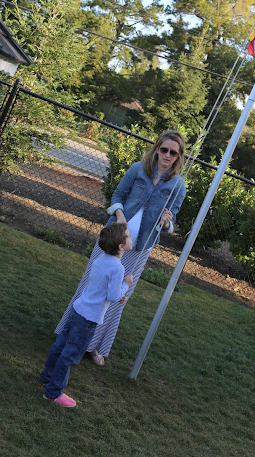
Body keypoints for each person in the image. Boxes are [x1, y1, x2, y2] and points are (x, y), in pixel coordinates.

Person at [55, 129, 186, 366]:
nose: (167, 155)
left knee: (118, 296)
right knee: (91, 285)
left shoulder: (178, 186)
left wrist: (167, 223)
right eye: (164, 149)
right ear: (157, 148)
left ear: (179, 156)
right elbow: (117, 195)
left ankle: (95, 346)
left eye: (173, 153)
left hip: (140, 249)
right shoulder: (138, 169)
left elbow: (170, 223)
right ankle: (66, 333)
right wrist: (120, 216)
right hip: (113, 239)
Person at [40, 223, 133, 407]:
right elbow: (113, 296)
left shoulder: (100, 259)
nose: (132, 238)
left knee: (59, 346)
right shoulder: (118, 268)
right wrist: (126, 285)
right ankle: (53, 392)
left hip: (78, 310)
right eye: (129, 236)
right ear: (121, 246)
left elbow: (102, 288)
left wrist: (119, 291)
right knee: (68, 356)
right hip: (88, 319)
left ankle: (47, 377)